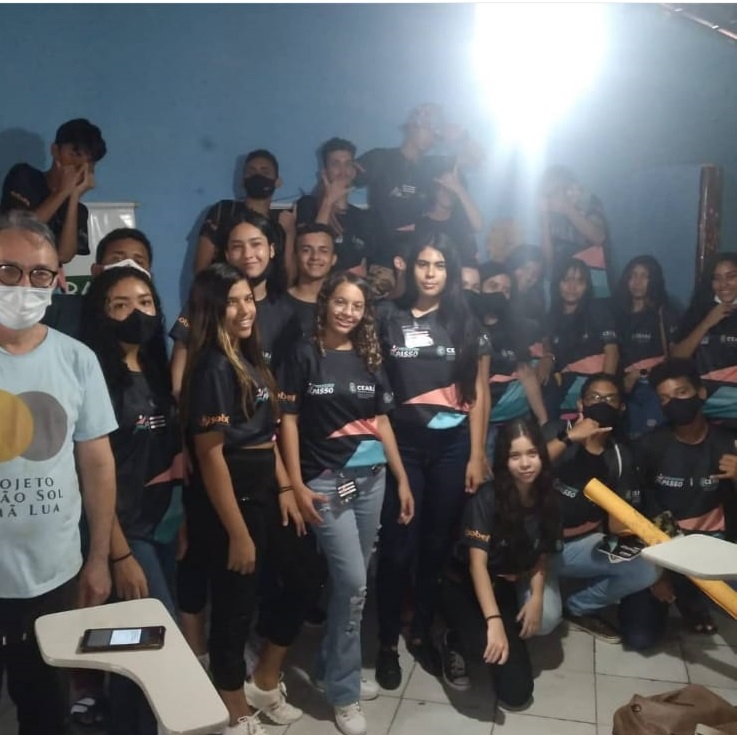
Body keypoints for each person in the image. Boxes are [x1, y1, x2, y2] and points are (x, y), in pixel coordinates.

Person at [180, 263, 317, 735]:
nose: (243, 310)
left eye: (246, 299)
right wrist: (237, 533)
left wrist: (285, 487)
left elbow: (267, 435)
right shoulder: (213, 366)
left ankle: (264, 680)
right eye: (230, 302)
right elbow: (210, 456)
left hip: (265, 490)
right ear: (211, 310)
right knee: (235, 607)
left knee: (303, 577)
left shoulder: (249, 357)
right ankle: (234, 711)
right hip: (231, 500)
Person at [278, 272, 414, 735]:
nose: (347, 312)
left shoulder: (369, 355)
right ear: (326, 302)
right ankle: (343, 692)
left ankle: (331, 668)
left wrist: (402, 478)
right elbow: (287, 422)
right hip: (324, 481)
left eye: (356, 306)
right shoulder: (303, 354)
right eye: (340, 302)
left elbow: (382, 422)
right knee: (353, 584)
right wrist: (295, 484)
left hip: (371, 479)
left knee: (354, 583)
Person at [0, 211, 116, 734]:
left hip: (54, 576)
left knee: (45, 710)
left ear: (57, 281)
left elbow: (97, 464)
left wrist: (99, 559)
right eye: (9, 270)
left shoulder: (77, 360)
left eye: (39, 274)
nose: (24, 285)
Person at [373, 233, 491, 690]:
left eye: (439, 265)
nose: (430, 273)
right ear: (409, 267)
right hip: (403, 446)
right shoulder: (387, 316)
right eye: (423, 263)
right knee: (397, 547)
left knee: (437, 545)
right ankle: (387, 642)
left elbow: (479, 394)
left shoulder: (466, 321)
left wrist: (476, 454)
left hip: (453, 448)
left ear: (450, 272)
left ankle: (421, 630)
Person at [80, 265, 182, 734]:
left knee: (135, 644)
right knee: (156, 637)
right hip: (125, 533)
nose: (136, 313)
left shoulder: (158, 371)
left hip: (164, 526)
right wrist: (117, 554)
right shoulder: (98, 377)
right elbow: (92, 474)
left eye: (144, 302)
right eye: (120, 305)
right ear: (102, 313)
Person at [442, 419, 561, 708]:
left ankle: (501, 636)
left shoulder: (549, 495)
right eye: (515, 456)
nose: (525, 464)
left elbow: (542, 551)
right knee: (482, 643)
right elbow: (477, 566)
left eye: (532, 453)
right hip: (465, 584)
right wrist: (493, 622)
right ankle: (453, 639)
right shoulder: (486, 498)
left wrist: (536, 597)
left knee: (517, 694)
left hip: (505, 585)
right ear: (504, 460)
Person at [544, 373, 662, 647]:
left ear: (621, 407)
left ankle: (578, 606)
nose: (601, 403)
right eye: (594, 397)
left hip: (581, 544)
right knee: (544, 621)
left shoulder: (620, 456)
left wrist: (653, 535)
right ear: (581, 403)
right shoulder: (555, 431)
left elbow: (618, 525)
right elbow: (526, 468)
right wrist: (569, 437)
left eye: (610, 399)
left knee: (647, 569)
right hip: (537, 546)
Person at [634, 358, 737, 634]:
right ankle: (685, 591)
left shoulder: (729, 443)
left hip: (716, 546)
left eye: (681, 393)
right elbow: (642, 506)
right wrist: (658, 572)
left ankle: (694, 595)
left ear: (700, 393)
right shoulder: (650, 446)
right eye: (665, 398)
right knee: (641, 634)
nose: (674, 402)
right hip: (667, 545)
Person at [356, 104, 483, 297]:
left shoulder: (433, 166)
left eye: (436, 127)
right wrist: (328, 203)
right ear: (413, 124)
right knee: (380, 313)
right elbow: (342, 175)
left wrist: (461, 136)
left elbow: (477, 159)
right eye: (428, 124)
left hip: (422, 267)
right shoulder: (380, 158)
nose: (432, 131)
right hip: (385, 264)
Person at [171, 210, 300, 399]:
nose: (248, 254)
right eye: (237, 247)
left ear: (271, 249)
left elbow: (288, 376)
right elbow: (182, 356)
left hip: (262, 413)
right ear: (227, 254)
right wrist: (180, 400)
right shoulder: (206, 301)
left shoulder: (285, 312)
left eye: (256, 244)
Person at [1, 118, 107, 264]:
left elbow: (64, 256)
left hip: (43, 274)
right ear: (55, 150)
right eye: (75, 154)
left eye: (89, 161)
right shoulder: (25, 176)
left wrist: (74, 196)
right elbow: (21, 231)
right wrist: (61, 192)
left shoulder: (79, 211)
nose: (80, 165)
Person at [471, 262, 548, 460]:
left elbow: (527, 375)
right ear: (479, 288)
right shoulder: (468, 328)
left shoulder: (517, 328)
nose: (500, 295)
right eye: (493, 286)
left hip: (518, 420)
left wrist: (543, 420)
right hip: (482, 424)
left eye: (506, 290)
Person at [539, 258, 618, 420]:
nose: (572, 287)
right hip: (563, 388)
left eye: (579, 281)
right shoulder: (552, 316)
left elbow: (612, 351)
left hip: (595, 384)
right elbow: (547, 340)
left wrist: (604, 388)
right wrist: (548, 357)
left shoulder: (596, 309)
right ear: (557, 283)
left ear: (587, 286)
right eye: (566, 280)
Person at [192, 148, 294, 275]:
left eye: (265, 172)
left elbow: (287, 278)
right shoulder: (223, 210)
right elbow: (200, 268)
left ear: (277, 182)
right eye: (251, 171)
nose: (257, 176)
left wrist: (290, 233)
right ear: (243, 180)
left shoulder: (280, 227)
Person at [42, 226, 154, 340]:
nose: (128, 266)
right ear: (96, 271)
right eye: (118, 259)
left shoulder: (149, 320)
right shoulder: (57, 310)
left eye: (138, 262)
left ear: (149, 276)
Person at [295, 137, 384, 280]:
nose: (343, 170)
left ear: (354, 170)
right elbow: (312, 246)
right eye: (335, 164)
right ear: (324, 172)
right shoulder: (307, 205)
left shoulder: (364, 218)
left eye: (348, 164)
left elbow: (368, 266)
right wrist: (328, 202)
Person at [613, 256, 680, 439]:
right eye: (633, 275)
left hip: (653, 387)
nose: (637, 282)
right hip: (623, 387)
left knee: (651, 438)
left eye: (644, 276)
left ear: (654, 280)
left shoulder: (664, 312)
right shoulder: (617, 313)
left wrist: (639, 373)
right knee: (628, 438)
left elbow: (676, 360)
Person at [672, 252, 737, 424]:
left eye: (731, 276)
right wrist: (707, 323)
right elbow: (677, 357)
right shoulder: (697, 311)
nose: (724, 284)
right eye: (717, 278)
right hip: (702, 406)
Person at [538, 165, 613, 299]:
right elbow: (548, 259)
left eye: (554, 192)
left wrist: (566, 207)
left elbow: (598, 237)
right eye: (547, 194)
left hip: (594, 280)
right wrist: (544, 217)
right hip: (563, 281)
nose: (550, 199)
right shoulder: (550, 214)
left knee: (598, 309)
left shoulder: (588, 201)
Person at [414, 160, 483, 266]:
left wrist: (459, 189)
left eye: (451, 187)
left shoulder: (461, 222)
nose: (447, 191)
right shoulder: (421, 224)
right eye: (444, 186)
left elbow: (479, 226)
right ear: (435, 189)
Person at [285, 223, 337, 336]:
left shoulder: (342, 305)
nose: (315, 257)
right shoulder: (278, 303)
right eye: (306, 250)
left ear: (334, 259)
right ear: (295, 256)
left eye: (323, 251)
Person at [505, 245, 546, 329]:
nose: (531, 278)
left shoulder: (536, 298)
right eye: (526, 269)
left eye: (536, 274)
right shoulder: (500, 293)